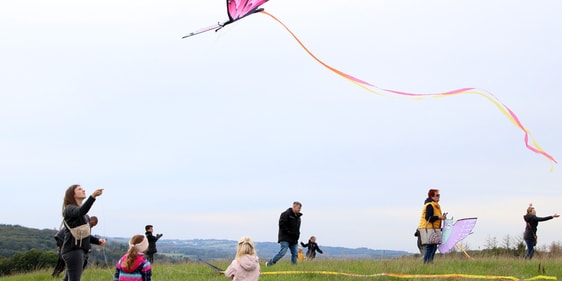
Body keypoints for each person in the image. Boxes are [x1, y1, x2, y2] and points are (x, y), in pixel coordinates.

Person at [60, 185, 106, 281]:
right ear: (73, 195)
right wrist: (92, 197)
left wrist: (98, 241)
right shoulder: (69, 209)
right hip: (73, 251)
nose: (83, 190)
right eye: (79, 189)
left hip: (77, 251)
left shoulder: (85, 216)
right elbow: (80, 211)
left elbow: (85, 235)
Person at [265, 201, 302, 266]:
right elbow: (281, 225)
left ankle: (294, 267)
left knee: (295, 253)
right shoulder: (285, 214)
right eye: (298, 208)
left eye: (300, 208)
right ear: (294, 207)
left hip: (294, 239)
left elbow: (297, 228)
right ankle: (269, 263)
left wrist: (297, 235)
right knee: (282, 252)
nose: (299, 209)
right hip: (285, 238)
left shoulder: (298, 217)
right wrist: (289, 232)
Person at [417, 188, 446, 264]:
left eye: (439, 195)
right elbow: (428, 218)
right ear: (432, 196)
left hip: (433, 229)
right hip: (428, 229)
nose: (439, 197)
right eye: (437, 195)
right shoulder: (430, 205)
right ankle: (427, 263)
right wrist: (439, 217)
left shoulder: (435, 205)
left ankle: (430, 263)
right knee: (430, 247)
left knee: (433, 247)